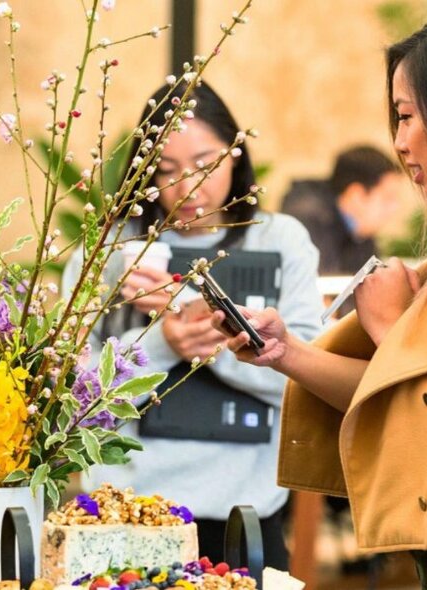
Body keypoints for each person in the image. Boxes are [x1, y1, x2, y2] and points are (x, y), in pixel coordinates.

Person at [214, 6, 427, 588]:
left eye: (406, 117)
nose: (399, 143)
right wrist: (288, 353)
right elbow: (424, 400)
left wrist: (392, 326)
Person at [63, 82, 323, 569]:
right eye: (165, 170)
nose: (188, 187)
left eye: (206, 163)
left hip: (244, 519)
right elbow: (72, 406)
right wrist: (161, 345)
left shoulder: (282, 240)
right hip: (124, 518)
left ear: (235, 153)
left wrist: (202, 328)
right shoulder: (108, 253)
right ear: (140, 170)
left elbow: (306, 379)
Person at [280, 146, 402, 275]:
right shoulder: (308, 219)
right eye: (388, 198)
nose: (395, 207)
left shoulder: (359, 230)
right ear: (357, 195)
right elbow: (320, 287)